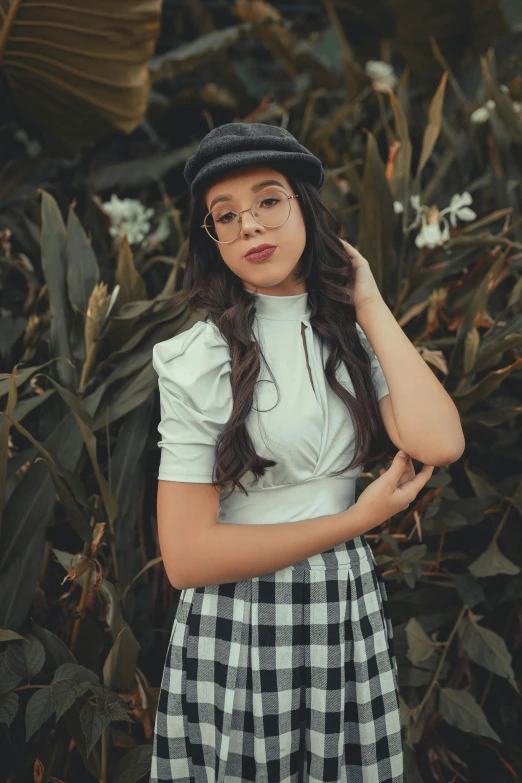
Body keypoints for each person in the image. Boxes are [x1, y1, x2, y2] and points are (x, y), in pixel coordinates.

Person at [149, 122, 435, 783]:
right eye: (226, 215)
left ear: (305, 206)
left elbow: (438, 439)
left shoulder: (351, 338)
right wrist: (356, 522)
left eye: (269, 200)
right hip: (241, 616)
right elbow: (188, 557)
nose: (249, 225)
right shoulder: (200, 359)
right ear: (213, 239)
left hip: (342, 604)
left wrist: (366, 297)